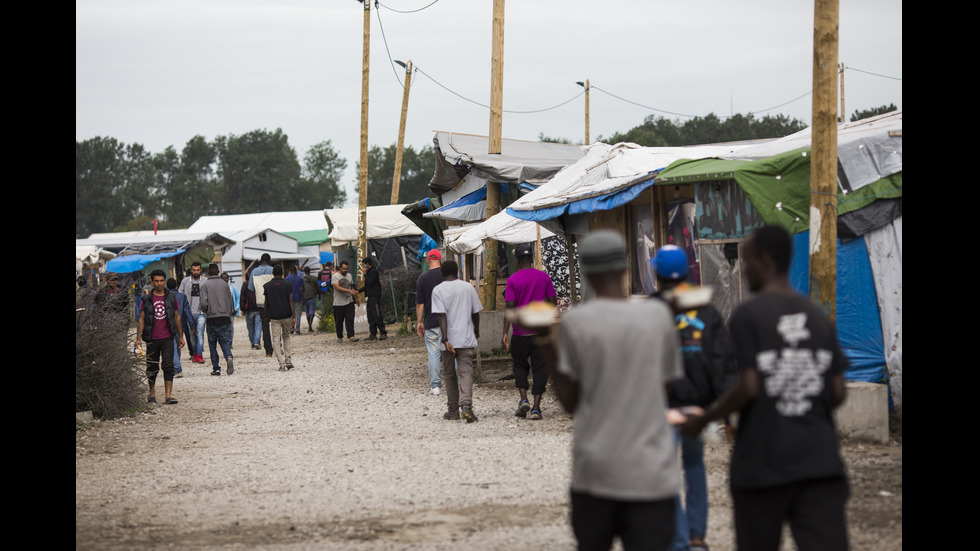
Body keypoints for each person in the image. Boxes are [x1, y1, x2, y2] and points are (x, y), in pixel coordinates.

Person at [681, 225, 851, 551]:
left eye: (746, 261)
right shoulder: (816, 315)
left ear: (766, 261)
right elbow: (838, 391)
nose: (743, 269)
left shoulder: (749, 316)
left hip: (763, 465)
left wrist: (704, 420)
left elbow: (747, 387)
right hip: (819, 463)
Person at [539, 229, 683, 551]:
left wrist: (545, 343)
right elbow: (669, 385)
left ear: (587, 272)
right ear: (625, 267)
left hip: (597, 473)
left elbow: (570, 401)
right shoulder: (658, 316)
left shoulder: (577, 322)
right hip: (651, 472)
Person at [651, 245, 737, 551]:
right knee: (694, 465)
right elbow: (722, 360)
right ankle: (697, 536)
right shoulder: (706, 310)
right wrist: (727, 411)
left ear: (657, 274)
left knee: (667, 471)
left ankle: (678, 540)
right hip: (699, 407)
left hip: (662, 407)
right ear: (688, 271)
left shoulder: (650, 309)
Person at [502, 243, 557, 421]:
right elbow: (552, 301)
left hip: (520, 333)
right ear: (532, 259)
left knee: (519, 365)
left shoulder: (512, 280)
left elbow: (509, 307)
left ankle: (523, 399)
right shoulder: (544, 277)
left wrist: (504, 332)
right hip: (540, 332)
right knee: (540, 368)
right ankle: (536, 408)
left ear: (517, 261)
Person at [431, 260, 482, 423]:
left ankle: (453, 410)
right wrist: (476, 329)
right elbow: (476, 313)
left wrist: (445, 339)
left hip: (448, 342)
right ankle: (466, 406)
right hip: (466, 338)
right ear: (457, 271)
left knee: (450, 374)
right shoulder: (468, 287)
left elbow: (441, 315)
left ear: (442, 273)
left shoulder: (438, 290)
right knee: (466, 372)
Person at [135, 269, 184, 405]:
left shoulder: (170, 297)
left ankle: (168, 395)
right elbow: (142, 318)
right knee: (152, 366)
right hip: (151, 338)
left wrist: (180, 336)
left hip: (167, 337)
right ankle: (152, 393)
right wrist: (138, 338)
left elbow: (177, 316)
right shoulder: (147, 298)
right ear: (151, 281)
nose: (159, 284)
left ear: (164, 280)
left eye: (161, 281)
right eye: (156, 281)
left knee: (168, 365)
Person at [415, 249, 445, 395]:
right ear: (440, 260)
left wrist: (419, 322)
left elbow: (420, 304)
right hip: (449, 322)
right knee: (452, 353)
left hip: (431, 322)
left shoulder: (422, 278)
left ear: (427, 261)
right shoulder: (448, 276)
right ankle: (458, 383)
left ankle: (436, 386)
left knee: (433, 353)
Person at [201, 263, 235, 376]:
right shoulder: (225, 284)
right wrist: (228, 314)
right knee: (224, 341)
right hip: (224, 317)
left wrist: (206, 310)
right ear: (218, 271)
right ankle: (228, 356)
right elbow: (230, 301)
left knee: (212, 345)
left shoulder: (205, 285)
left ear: (208, 272)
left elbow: (203, 303)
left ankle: (216, 368)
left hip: (212, 318)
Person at [262, 265, 295, 371]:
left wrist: (266, 315)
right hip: (286, 315)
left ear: (273, 273)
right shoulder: (288, 284)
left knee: (276, 339)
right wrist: (293, 315)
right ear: (282, 273)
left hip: (274, 316)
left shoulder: (267, 286)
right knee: (286, 337)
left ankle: (281, 363)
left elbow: (266, 302)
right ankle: (288, 360)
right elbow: (291, 300)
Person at [178, 262, 207, 364]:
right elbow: (180, 295)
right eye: (194, 270)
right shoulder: (185, 282)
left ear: (200, 270)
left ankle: (199, 354)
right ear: (191, 270)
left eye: (198, 270)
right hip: (189, 313)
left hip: (201, 312)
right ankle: (194, 353)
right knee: (192, 336)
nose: (196, 272)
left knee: (199, 333)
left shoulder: (205, 281)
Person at [248, 254, 276, 357]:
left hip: (261, 303)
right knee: (276, 325)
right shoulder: (273, 270)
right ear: (269, 260)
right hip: (273, 302)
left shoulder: (254, 272)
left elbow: (251, 288)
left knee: (265, 327)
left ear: (261, 260)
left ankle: (268, 351)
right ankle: (278, 346)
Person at [166, 278, 194, 379]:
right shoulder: (182, 296)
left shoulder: (166, 296)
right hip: (181, 324)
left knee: (173, 345)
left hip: (169, 324)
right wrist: (192, 325)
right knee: (177, 344)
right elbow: (187, 311)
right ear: (177, 286)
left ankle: (177, 367)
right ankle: (176, 365)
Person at [359, 256, 388, 341]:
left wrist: (364, 274)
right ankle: (373, 333)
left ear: (368, 264)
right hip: (370, 296)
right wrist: (358, 291)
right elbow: (367, 286)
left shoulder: (373, 272)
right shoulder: (369, 273)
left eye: (364, 265)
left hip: (375, 297)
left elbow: (370, 282)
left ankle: (383, 332)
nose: (364, 267)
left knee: (376, 315)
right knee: (370, 316)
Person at [331, 261, 359, 342]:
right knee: (339, 321)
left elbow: (352, 287)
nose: (345, 270)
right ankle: (339, 337)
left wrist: (356, 298)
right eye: (344, 269)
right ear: (340, 268)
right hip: (338, 303)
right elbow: (337, 287)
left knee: (350, 319)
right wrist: (349, 291)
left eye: (346, 268)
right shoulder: (335, 276)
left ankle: (351, 336)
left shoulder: (349, 276)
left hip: (349, 301)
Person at [240, 269, 263, 350]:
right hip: (258, 308)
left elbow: (242, 297)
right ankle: (256, 342)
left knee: (250, 327)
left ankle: (253, 343)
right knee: (258, 326)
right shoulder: (258, 283)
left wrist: (242, 308)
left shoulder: (245, 285)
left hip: (248, 309)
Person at [285, 265, 305, 335]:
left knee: (290, 313)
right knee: (298, 313)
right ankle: (297, 329)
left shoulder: (287, 278)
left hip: (289, 299)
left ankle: (291, 328)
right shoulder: (300, 279)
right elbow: (303, 288)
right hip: (298, 297)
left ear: (290, 271)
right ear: (296, 271)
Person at [302, 266, 319, 334]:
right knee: (311, 311)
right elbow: (317, 287)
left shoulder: (302, 279)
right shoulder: (314, 278)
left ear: (304, 272)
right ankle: (310, 325)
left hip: (305, 296)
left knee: (307, 311)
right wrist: (319, 293)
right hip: (312, 296)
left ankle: (309, 324)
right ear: (309, 271)